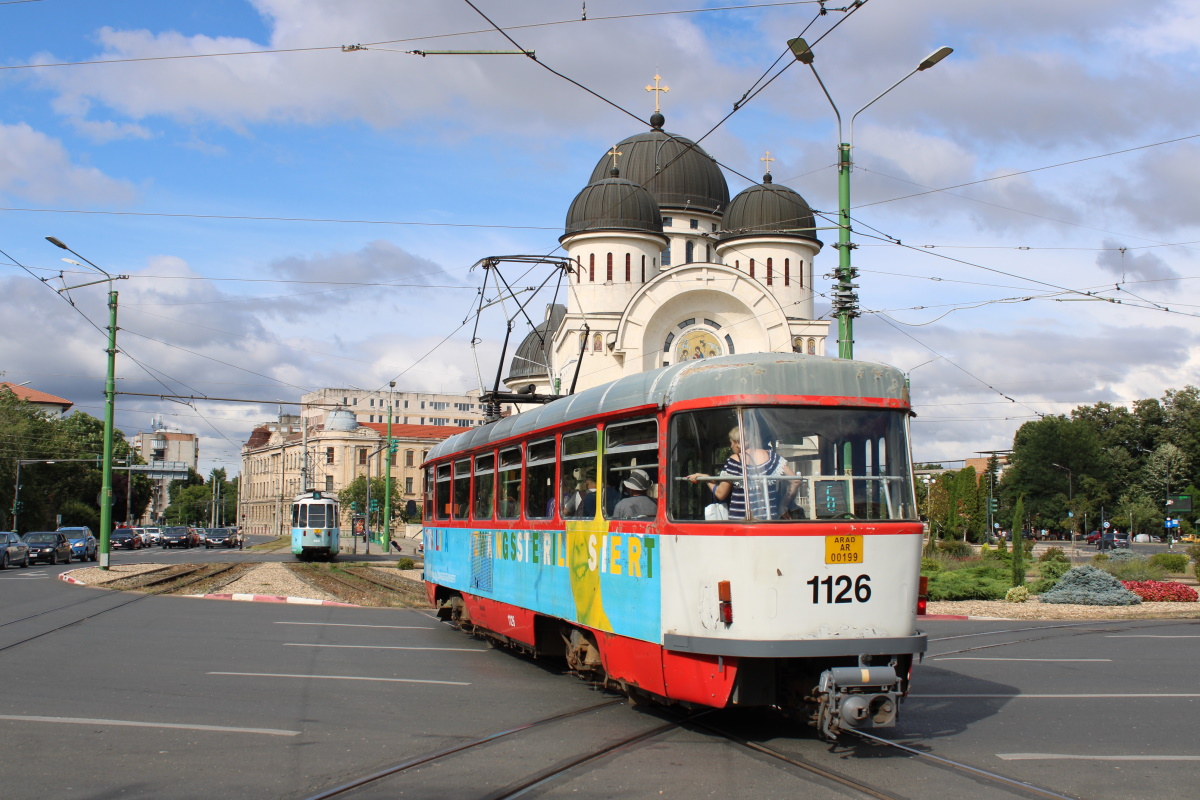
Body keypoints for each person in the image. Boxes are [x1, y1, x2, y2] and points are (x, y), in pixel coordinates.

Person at [687, 424, 796, 520]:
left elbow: (721, 494)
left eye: (731, 443)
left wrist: (706, 478)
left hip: (741, 521)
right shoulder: (772, 457)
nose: (731, 446)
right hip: (770, 519)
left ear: (738, 442)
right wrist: (783, 506)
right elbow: (795, 481)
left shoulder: (735, 460)